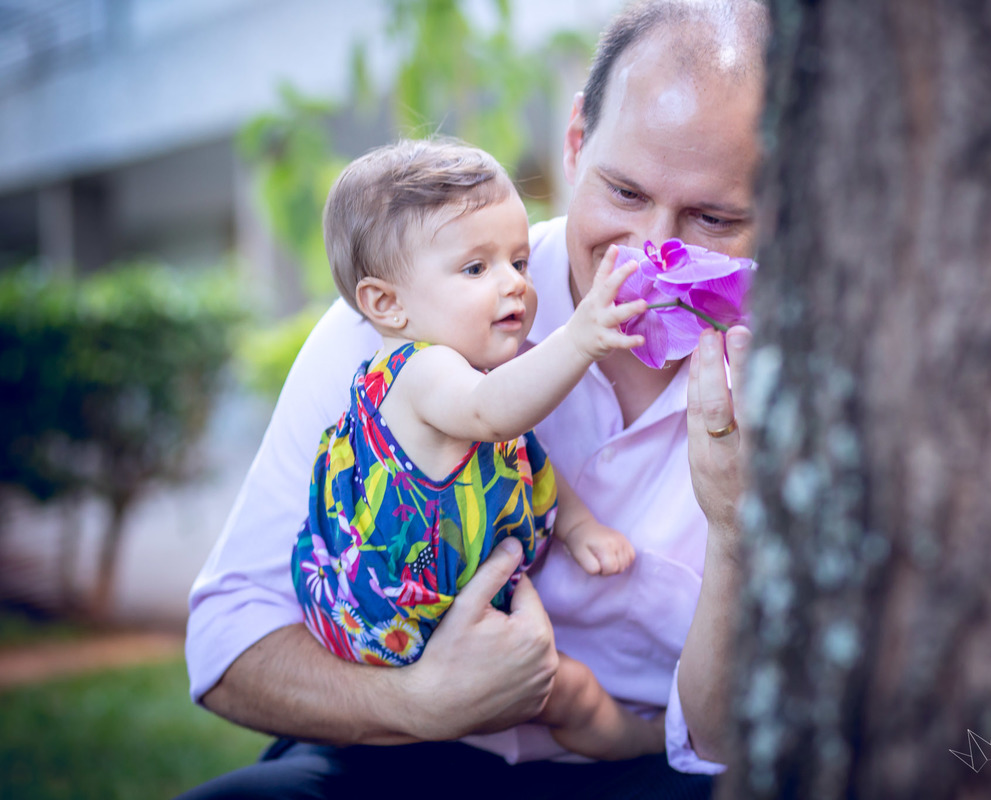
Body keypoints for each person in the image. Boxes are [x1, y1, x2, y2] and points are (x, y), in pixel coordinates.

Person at [181, 1, 765, 797]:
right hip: (387, 752)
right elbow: (226, 643)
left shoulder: (801, 384)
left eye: (712, 216)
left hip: (633, 772)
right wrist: (418, 704)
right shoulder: (409, 310)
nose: (647, 253)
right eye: (624, 192)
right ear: (575, 140)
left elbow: (727, 740)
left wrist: (733, 528)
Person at [292, 136, 662, 761]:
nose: (514, 285)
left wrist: (576, 525)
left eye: (519, 262)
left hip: (449, 612)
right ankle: (651, 745)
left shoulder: (471, 371)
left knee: (559, 687)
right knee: (567, 689)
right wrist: (581, 337)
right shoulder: (417, 372)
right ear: (387, 304)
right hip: (403, 626)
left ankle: (656, 745)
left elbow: (520, 454)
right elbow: (496, 416)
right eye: (475, 269)